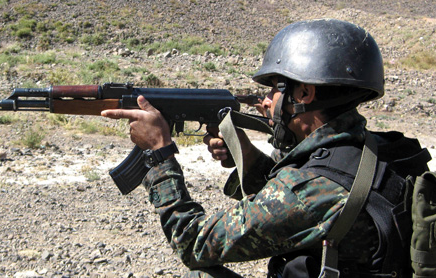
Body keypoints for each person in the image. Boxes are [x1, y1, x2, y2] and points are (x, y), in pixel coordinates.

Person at [101, 18, 429, 278]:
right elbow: (295, 189)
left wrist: (159, 153)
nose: (267, 100)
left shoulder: (314, 188)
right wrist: (245, 152)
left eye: (274, 88)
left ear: (304, 94)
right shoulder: (378, 151)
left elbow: (193, 242)